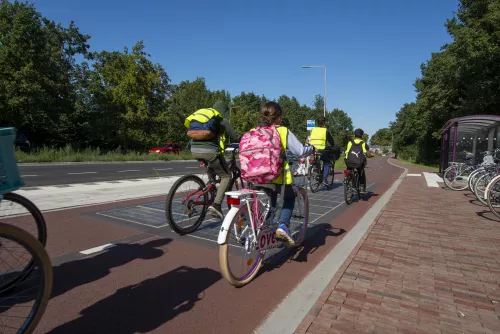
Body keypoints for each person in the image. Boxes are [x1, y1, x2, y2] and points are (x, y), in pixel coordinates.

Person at [254, 101, 315, 246]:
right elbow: (299, 151)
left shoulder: (255, 130)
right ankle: (282, 225)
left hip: (256, 176)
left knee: (270, 204)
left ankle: (262, 232)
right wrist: (311, 148)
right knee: (289, 196)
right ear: (278, 117)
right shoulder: (282, 130)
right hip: (277, 176)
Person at [190, 101, 239, 218]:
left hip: (194, 150)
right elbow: (235, 137)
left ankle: (210, 187)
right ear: (224, 110)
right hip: (210, 152)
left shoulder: (205, 118)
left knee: (212, 168)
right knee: (226, 176)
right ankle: (216, 205)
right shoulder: (221, 120)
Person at [310, 116, 335, 186]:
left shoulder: (313, 129)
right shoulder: (325, 130)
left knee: (316, 160)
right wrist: (333, 145)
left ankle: (316, 171)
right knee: (327, 162)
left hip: (313, 149)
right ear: (324, 122)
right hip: (321, 149)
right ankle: (324, 179)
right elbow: (331, 140)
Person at [345, 128, 369, 193]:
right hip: (359, 163)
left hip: (349, 162)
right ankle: (361, 187)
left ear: (354, 135)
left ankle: (349, 182)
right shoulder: (363, 143)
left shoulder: (350, 142)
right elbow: (365, 152)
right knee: (361, 172)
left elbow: (347, 152)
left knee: (349, 170)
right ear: (361, 135)